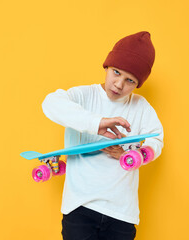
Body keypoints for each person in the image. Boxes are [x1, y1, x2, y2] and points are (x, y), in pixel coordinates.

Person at [42, 31, 164, 240]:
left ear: (138, 84)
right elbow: (50, 103)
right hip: (80, 207)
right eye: (116, 72)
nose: (119, 84)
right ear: (106, 66)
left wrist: (133, 156)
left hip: (122, 213)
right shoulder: (83, 96)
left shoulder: (141, 107)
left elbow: (156, 139)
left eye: (130, 81)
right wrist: (96, 123)